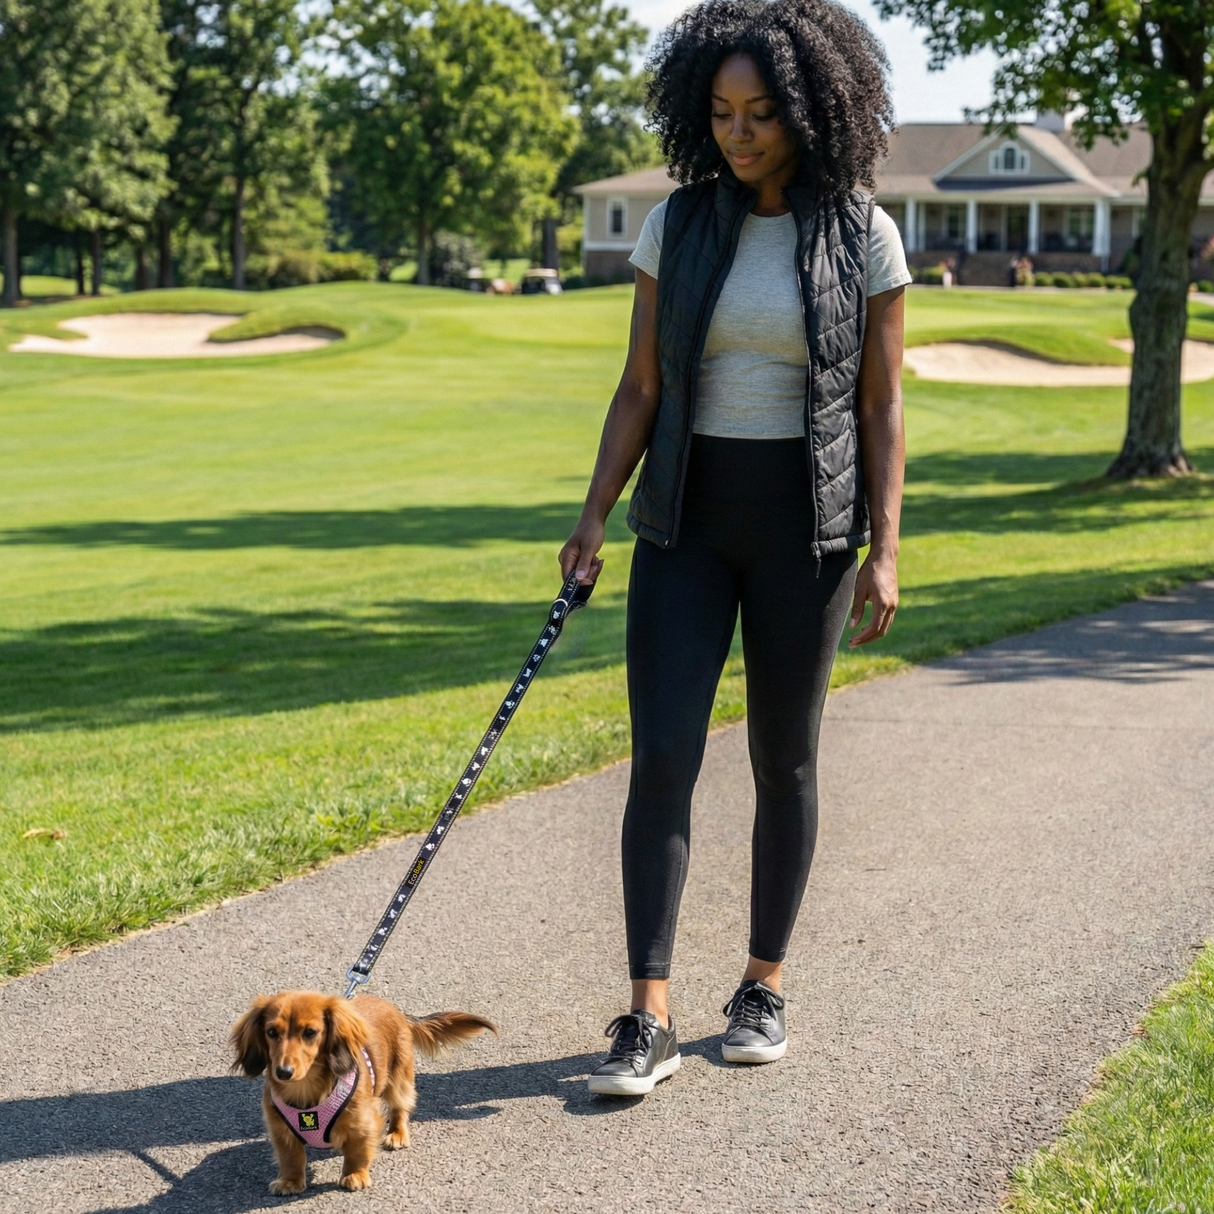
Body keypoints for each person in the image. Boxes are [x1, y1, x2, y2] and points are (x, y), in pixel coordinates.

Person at [559, 0, 908, 1097]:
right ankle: (646, 1011)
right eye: (719, 113)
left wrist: (885, 548)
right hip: (683, 519)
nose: (738, 133)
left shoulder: (863, 233)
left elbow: (881, 405)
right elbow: (640, 385)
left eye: (760, 113)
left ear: (809, 110)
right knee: (663, 752)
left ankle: (759, 984)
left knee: (782, 759)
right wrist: (591, 514)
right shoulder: (679, 222)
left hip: (806, 530)